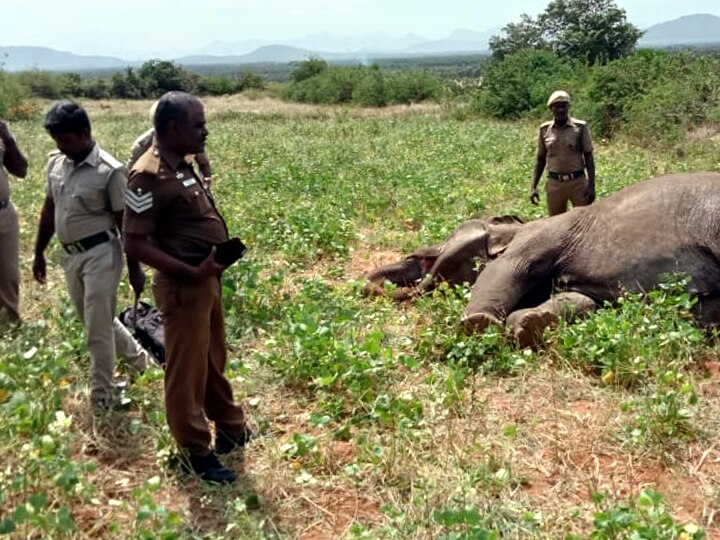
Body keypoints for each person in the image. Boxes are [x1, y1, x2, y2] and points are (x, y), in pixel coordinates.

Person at [123, 91, 252, 484]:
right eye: (198, 124)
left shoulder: (182, 164)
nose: (205, 131)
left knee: (210, 359)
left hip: (205, 280)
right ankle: (195, 451)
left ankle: (231, 426)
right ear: (173, 127)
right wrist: (191, 272)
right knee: (186, 371)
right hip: (184, 286)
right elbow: (134, 241)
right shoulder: (147, 174)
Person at [32, 101, 151, 410]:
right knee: (96, 319)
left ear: (85, 134)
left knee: (95, 330)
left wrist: (135, 269)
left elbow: (126, 224)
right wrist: (39, 251)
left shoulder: (109, 171)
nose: (61, 145)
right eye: (56, 140)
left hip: (101, 254)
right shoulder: (57, 163)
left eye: (66, 139)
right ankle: (141, 363)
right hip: (70, 256)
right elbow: (49, 208)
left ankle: (102, 396)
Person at [530, 90, 596, 216]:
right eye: (557, 107)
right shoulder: (544, 130)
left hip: (578, 183)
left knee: (583, 221)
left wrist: (591, 186)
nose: (561, 110)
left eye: (564, 106)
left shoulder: (580, 127)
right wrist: (533, 187)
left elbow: (588, 157)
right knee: (555, 224)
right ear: (551, 108)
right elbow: (540, 159)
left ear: (568, 107)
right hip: (555, 185)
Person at [128, 101, 212, 187]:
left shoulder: (191, 140)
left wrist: (205, 185)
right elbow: (131, 178)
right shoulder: (142, 145)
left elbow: (204, 164)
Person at [0, 118, 28, 325]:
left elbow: (20, 170)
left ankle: (10, 319)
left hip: (4, 213)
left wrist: (7, 138)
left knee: (9, 274)